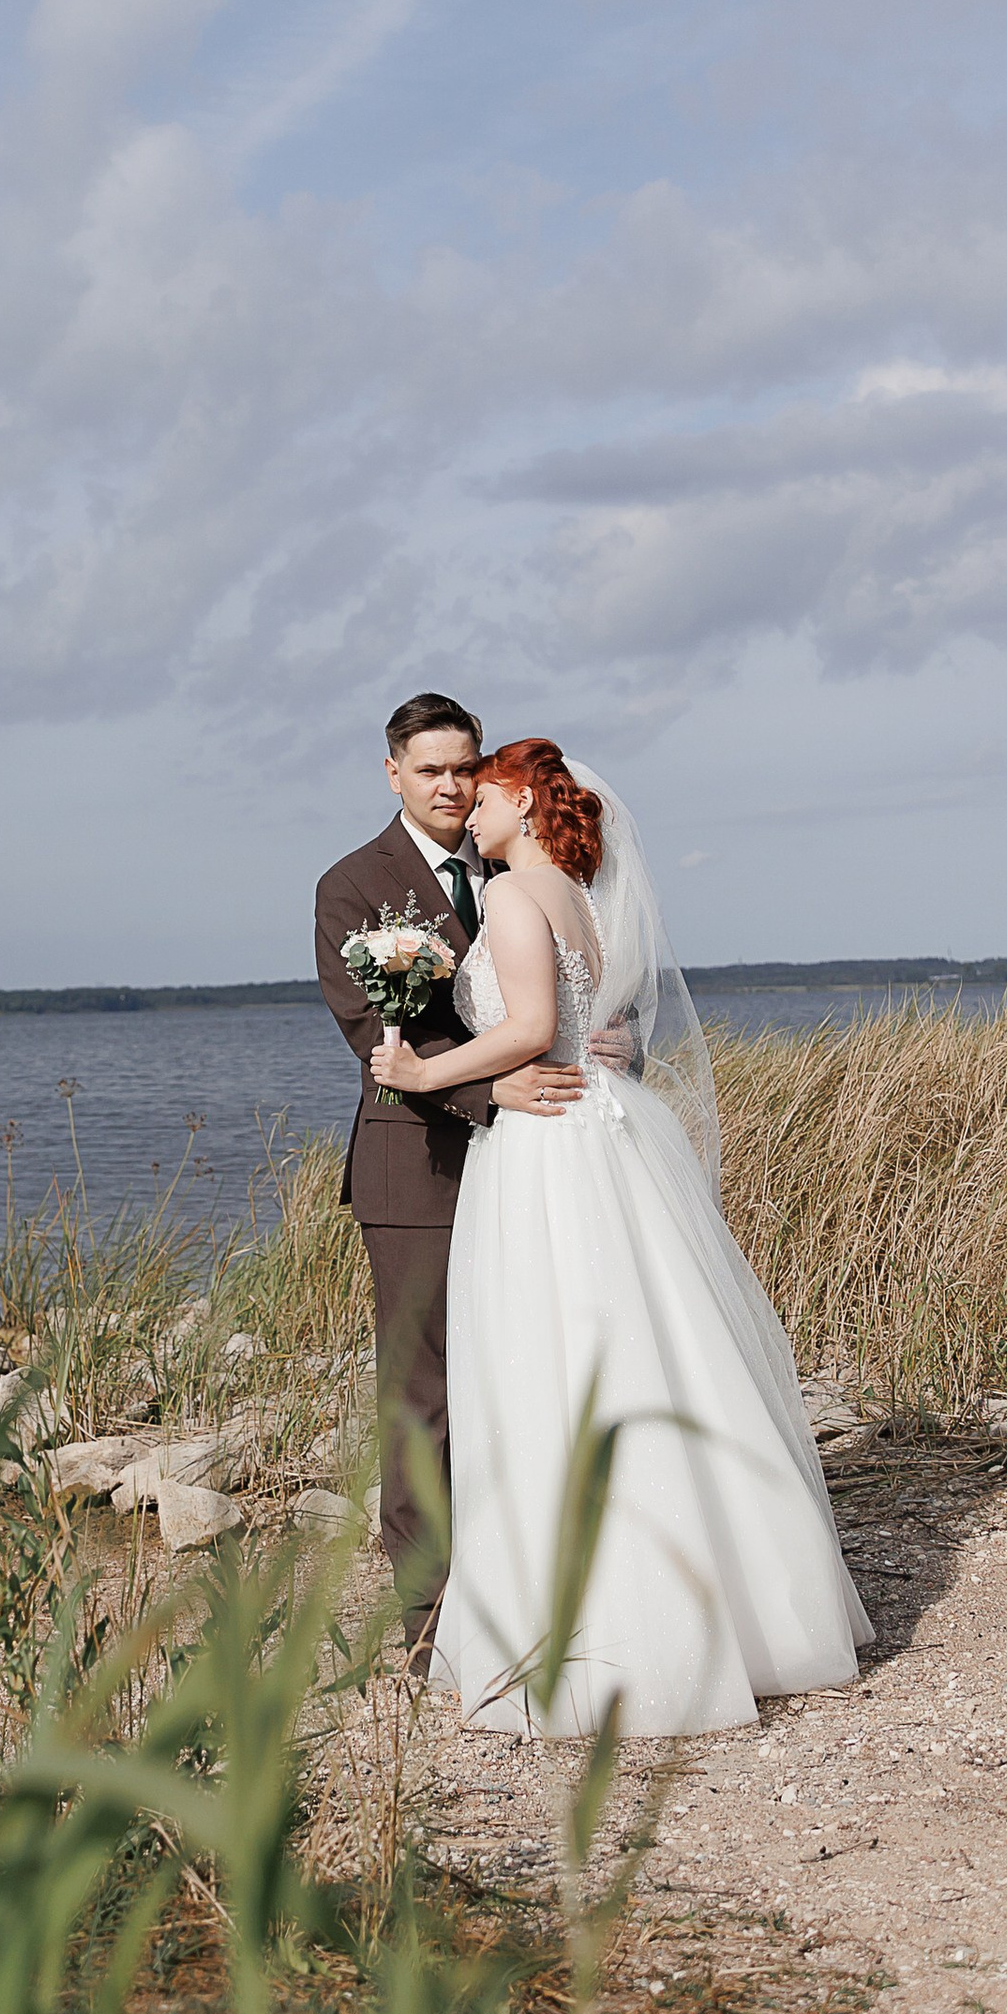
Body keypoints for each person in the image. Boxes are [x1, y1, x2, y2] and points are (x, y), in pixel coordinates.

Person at [369, 737, 871, 1736]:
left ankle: (599, 1640)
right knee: (650, 1356)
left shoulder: (513, 894)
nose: (468, 808)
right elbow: (591, 1016)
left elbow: (529, 1029)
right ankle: (739, 1611)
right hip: (607, 1128)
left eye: (485, 795)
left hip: (547, 1146)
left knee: (549, 1366)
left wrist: (426, 1074)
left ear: (519, 796)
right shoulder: (582, 900)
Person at [313, 692, 587, 1644]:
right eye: (429, 770)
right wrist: (489, 1096)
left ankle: (532, 1581)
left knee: (528, 1371)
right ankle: (428, 1612)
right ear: (392, 772)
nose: (450, 785)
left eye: (465, 767)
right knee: (421, 1393)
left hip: (540, 1162)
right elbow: (374, 1037)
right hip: (417, 1167)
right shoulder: (353, 886)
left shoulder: (522, 868)